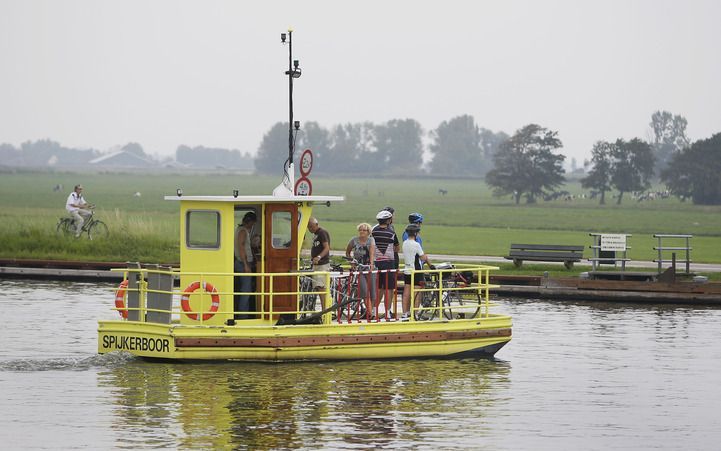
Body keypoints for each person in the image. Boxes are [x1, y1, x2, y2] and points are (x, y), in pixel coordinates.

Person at [401, 223, 434, 321]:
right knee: (417, 292)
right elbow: (422, 257)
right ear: (415, 233)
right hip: (416, 271)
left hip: (407, 270)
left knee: (406, 292)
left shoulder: (405, 243)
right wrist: (429, 263)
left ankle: (405, 313)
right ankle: (415, 313)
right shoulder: (416, 244)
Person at [372, 209, 399, 318]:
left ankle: (374, 310)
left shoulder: (373, 231)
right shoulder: (391, 232)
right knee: (389, 288)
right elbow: (397, 247)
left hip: (377, 262)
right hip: (389, 262)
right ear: (388, 221)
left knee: (379, 288)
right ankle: (387, 312)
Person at [345, 222, 376, 308]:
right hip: (359, 268)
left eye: (364, 230)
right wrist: (351, 261)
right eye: (360, 230)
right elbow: (348, 251)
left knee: (373, 292)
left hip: (369, 267)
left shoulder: (371, 240)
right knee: (364, 291)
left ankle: (371, 310)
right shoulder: (354, 240)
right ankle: (370, 314)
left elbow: (372, 253)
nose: (362, 232)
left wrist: (371, 264)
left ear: (368, 232)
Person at [234, 211, 257, 319]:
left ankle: (244, 315)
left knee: (245, 289)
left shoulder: (241, 230)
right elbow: (241, 247)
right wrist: (246, 265)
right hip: (242, 264)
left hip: (242, 263)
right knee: (246, 291)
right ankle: (243, 317)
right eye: (252, 224)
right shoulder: (243, 231)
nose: (252, 226)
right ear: (249, 222)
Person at [308, 217, 331, 307]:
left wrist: (318, 257)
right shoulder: (315, 234)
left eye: (311, 227)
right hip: (316, 264)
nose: (310, 229)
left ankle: (324, 308)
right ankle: (323, 307)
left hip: (322, 264)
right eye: (308, 227)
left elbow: (327, 247)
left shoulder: (322, 233)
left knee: (321, 286)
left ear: (317, 225)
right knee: (318, 286)